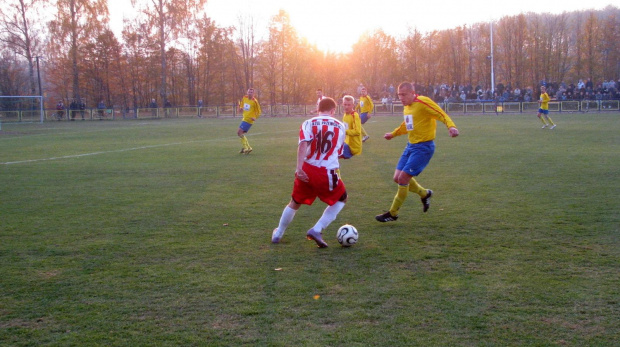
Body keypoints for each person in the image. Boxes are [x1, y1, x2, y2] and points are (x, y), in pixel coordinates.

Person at [375, 82, 459, 223]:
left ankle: (393, 213)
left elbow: (441, 113)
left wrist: (451, 126)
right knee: (397, 177)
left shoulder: (423, 102)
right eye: (399, 95)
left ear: (412, 93)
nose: (401, 98)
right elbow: (407, 125)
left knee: (403, 179)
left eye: (404, 95)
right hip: (410, 146)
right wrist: (393, 134)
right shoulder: (407, 108)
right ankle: (425, 194)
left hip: (423, 148)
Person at [271, 97, 347, 248]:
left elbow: (303, 144)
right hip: (327, 171)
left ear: (318, 108)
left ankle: (278, 233)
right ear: (333, 110)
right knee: (342, 198)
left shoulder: (308, 123)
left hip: (306, 169)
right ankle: (317, 229)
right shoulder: (340, 125)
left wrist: (299, 168)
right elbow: (338, 152)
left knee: (295, 202)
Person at [237, 88, 261, 154]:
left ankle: (246, 148)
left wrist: (255, 117)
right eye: (249, 92)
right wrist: (240, 108)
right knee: (240, 133)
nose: (250, 93)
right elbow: (242, 106)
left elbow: (259, 111)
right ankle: (247, 147)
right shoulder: (244, 98)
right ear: (247, 92)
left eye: (251, 92)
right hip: (244, 118)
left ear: (253, 94)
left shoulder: (255, 101)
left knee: (239, 132)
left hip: (249, 120)